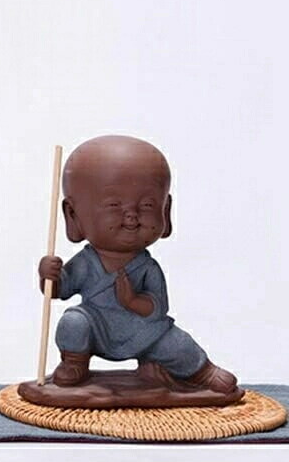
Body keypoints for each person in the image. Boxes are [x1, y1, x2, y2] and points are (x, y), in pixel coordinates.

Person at [38, 135, 238, 395]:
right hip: (96, 326)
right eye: (114, 205)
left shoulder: (147, 267)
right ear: (73, 217)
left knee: (178, 344)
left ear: (165, 211)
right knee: (72, 322)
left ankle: (203, 371)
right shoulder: (86, 263)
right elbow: (60, 291)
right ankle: (75, 363)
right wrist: (50, 276)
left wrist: (132, 301)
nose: (131, 216)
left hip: (144, 331)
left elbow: (158, 307)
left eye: (147, 205)